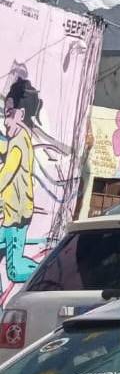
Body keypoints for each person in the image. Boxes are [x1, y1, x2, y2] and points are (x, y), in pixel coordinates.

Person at [0, 80, 42, 282]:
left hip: (17, 216)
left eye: (9, 114)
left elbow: (6, 175)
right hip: (11, 213)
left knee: (15, 270)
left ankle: (47, 274)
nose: (5, 121)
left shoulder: (19, 142)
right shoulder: (16, 139)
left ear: (21, 115)